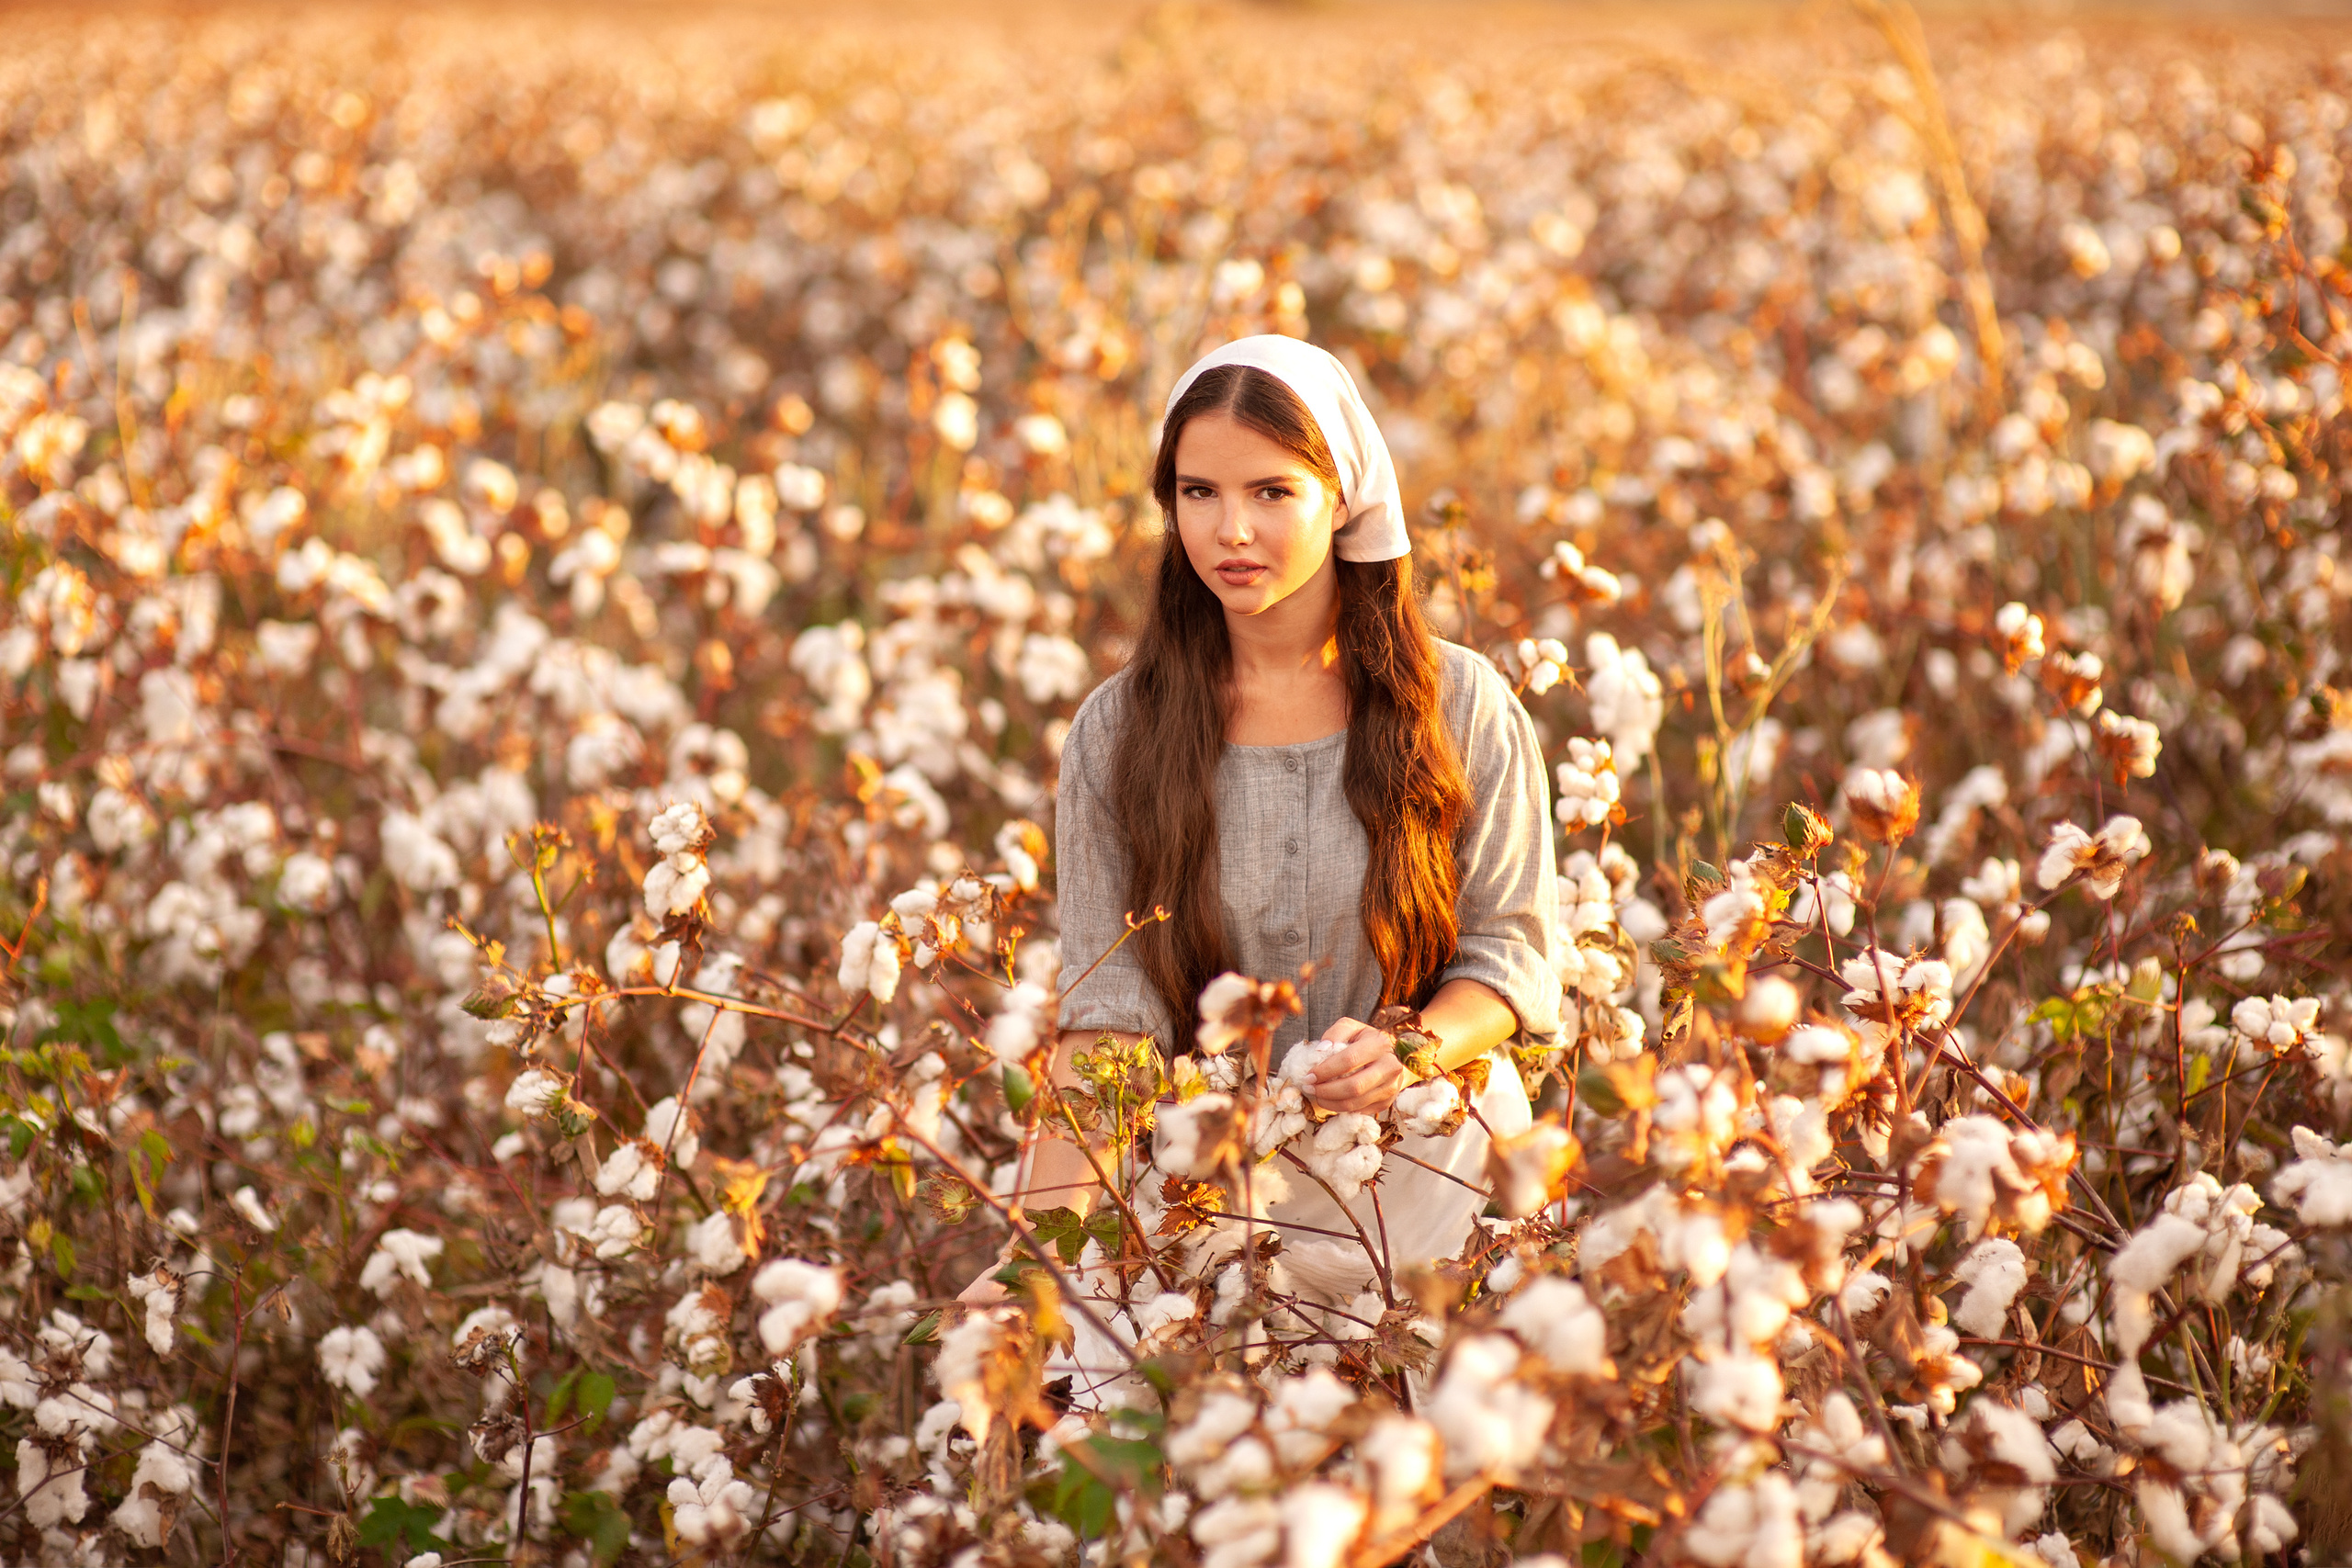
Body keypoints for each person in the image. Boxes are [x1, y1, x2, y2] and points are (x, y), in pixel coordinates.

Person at [961, 335, 1562, 1307]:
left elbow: (1509, 957)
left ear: (1343, 496)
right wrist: (1035, 1256)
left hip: (1432, 1180)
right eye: (1198, 493)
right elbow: (1107, 1022)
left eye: (1272, 493)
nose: (1230, 530)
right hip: (1212, 1194)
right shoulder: (1119, 730)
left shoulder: (1462, 706)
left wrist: (1408, 1052)